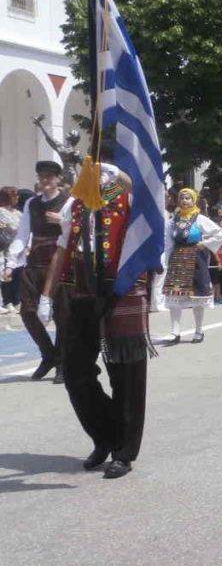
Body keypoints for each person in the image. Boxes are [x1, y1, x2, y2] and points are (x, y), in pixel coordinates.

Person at [40, 159, 153, 478]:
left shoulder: (126, 198)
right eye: (92, 170)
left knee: (125, 373)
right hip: (83, 291)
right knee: (75, 370)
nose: (96, 176)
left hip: (121, 290)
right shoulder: (75, 205)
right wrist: (46, 297)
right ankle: (105, 435)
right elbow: (62, 249)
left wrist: (119, 175)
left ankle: (124, 452)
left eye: (103, 171)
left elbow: (147, 192)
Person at [10, 161, 73, 382]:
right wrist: (11, 262)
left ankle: (63, 362)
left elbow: (79, 227)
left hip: (59, 260)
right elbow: (23, 234)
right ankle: (49, 355)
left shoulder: (69, 201)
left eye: (49, 176)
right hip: (35, 261)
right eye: (41, 176)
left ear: (58, 178)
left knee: (62, 314)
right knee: (27, 312)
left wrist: (64, 219)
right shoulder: (32, 204)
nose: (44, 180)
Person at [162, 188, 222, 344]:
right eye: (182, 198)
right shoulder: (173, 220)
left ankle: (198, 331)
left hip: (196, 260)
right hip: (178, 260)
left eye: (188, 198)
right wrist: (165, 262)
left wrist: (205, 243)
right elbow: (168, 242)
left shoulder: (200, 219)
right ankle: (175, 332)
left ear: (194, 200)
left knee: (198, 297)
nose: (185, 201)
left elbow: (220, 233)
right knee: (175, 295)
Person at [0, 187, 23, 313]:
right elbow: (14, 227)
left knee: (18, 275)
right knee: (6, 275)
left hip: (18, 247)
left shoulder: (18, 212)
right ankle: (7, 301)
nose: (18, 198)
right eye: (15, 195)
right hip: (5, 248)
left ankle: (17, 301)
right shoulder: (1, 211)